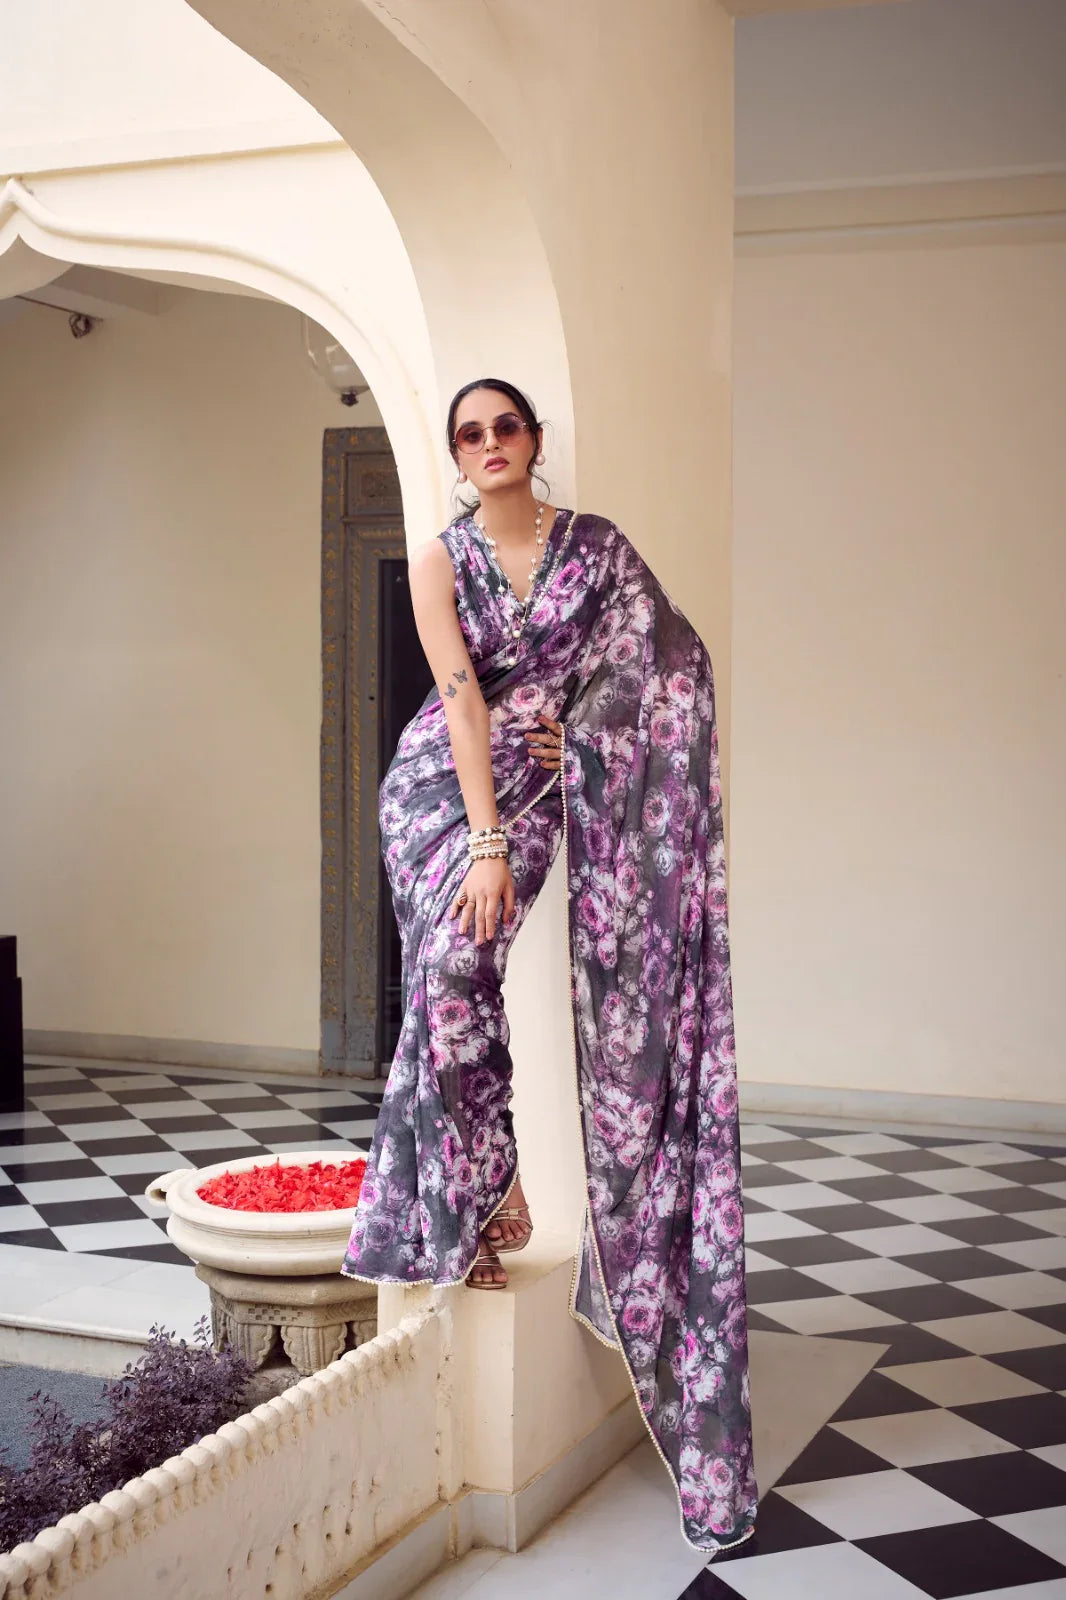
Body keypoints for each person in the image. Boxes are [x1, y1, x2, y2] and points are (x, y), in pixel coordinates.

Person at [340, 378, 758, 1556]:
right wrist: (478, 835)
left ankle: (481, 1184)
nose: (487, 448)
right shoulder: (441, 560)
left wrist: (583, 730)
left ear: (531, 441)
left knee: (458, 973)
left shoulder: (598, 551)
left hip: (543, 787)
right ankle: (488, 1190)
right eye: (467, 435)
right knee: (449, 965)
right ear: (459, 456)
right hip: (444, 789)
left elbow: (670, 670)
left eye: (503, 429)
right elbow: (461, 699)